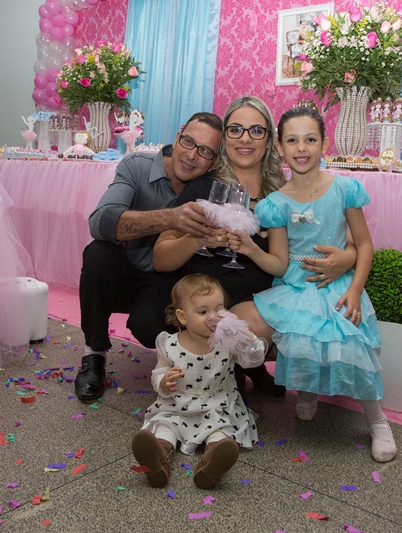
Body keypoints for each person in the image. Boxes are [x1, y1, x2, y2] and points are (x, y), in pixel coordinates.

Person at [153, 96, 357, 395]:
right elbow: (161, 259)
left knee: (281, 323)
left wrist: (348, 258)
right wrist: (198, 238)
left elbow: (346, 240)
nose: (245, 138)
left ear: (271, 140)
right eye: (235, 129)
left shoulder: (285, 191)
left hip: (267, 301)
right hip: (210, 300)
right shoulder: (203, 188)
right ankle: (235, 372)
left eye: (256, 131)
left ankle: (246, 366)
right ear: (225, 138)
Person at [228, 106, 397, 463]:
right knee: (302, 342)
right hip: (294, 288)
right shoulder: (276, 204)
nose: (301, 148)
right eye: (292, 140)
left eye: (310, 140)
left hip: (336, 287)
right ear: (280, 146)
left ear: (324, 143)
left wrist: (355, 290)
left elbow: (364, 244)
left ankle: (378, 422)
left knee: (347, 342)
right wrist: (251, 250)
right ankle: (308, 393)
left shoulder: (345, 189)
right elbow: (279, 261)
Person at [75, 112, 223, 403]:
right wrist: (170, 218)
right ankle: (93, 355)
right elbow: (100, 222)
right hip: (121, 273)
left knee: (149, 325)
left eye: (205, 151)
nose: (192, 155)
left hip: (165, 281)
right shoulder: (138, 166)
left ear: (214, 161)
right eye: (188, 142)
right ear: (177, 137)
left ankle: (176, 354)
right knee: (98, 254)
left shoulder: (210, 188)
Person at [131, 274, 265, 489]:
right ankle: (158, 457)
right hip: (177, 405)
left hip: (217, 405)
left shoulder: (227, 342)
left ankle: (212, 463)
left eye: (219, 309)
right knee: (166, 426)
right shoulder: (169, 343)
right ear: (182, 317)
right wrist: (164, 382)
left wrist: (248, 339)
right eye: (203, 312)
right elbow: (158, 372)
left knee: (220, 431)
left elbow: (252, 361)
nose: (213, 317)